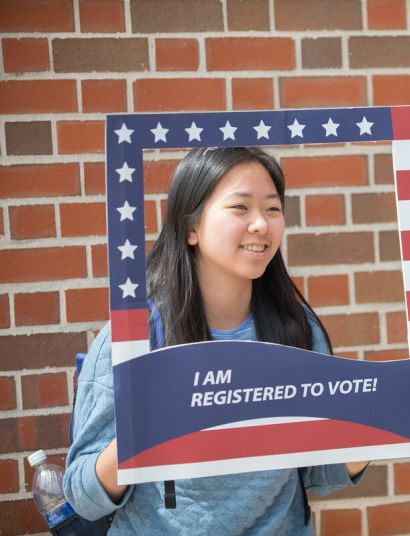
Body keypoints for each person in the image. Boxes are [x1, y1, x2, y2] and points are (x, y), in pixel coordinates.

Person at [64, 147, 368, 534]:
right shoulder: (136, 335)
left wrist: (369, 435)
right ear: (191, 227)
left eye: (273, 209)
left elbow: (318, 473)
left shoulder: (295, 326)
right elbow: (81, 494)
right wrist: (146, 433)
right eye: (240, 207)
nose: (261, 224)